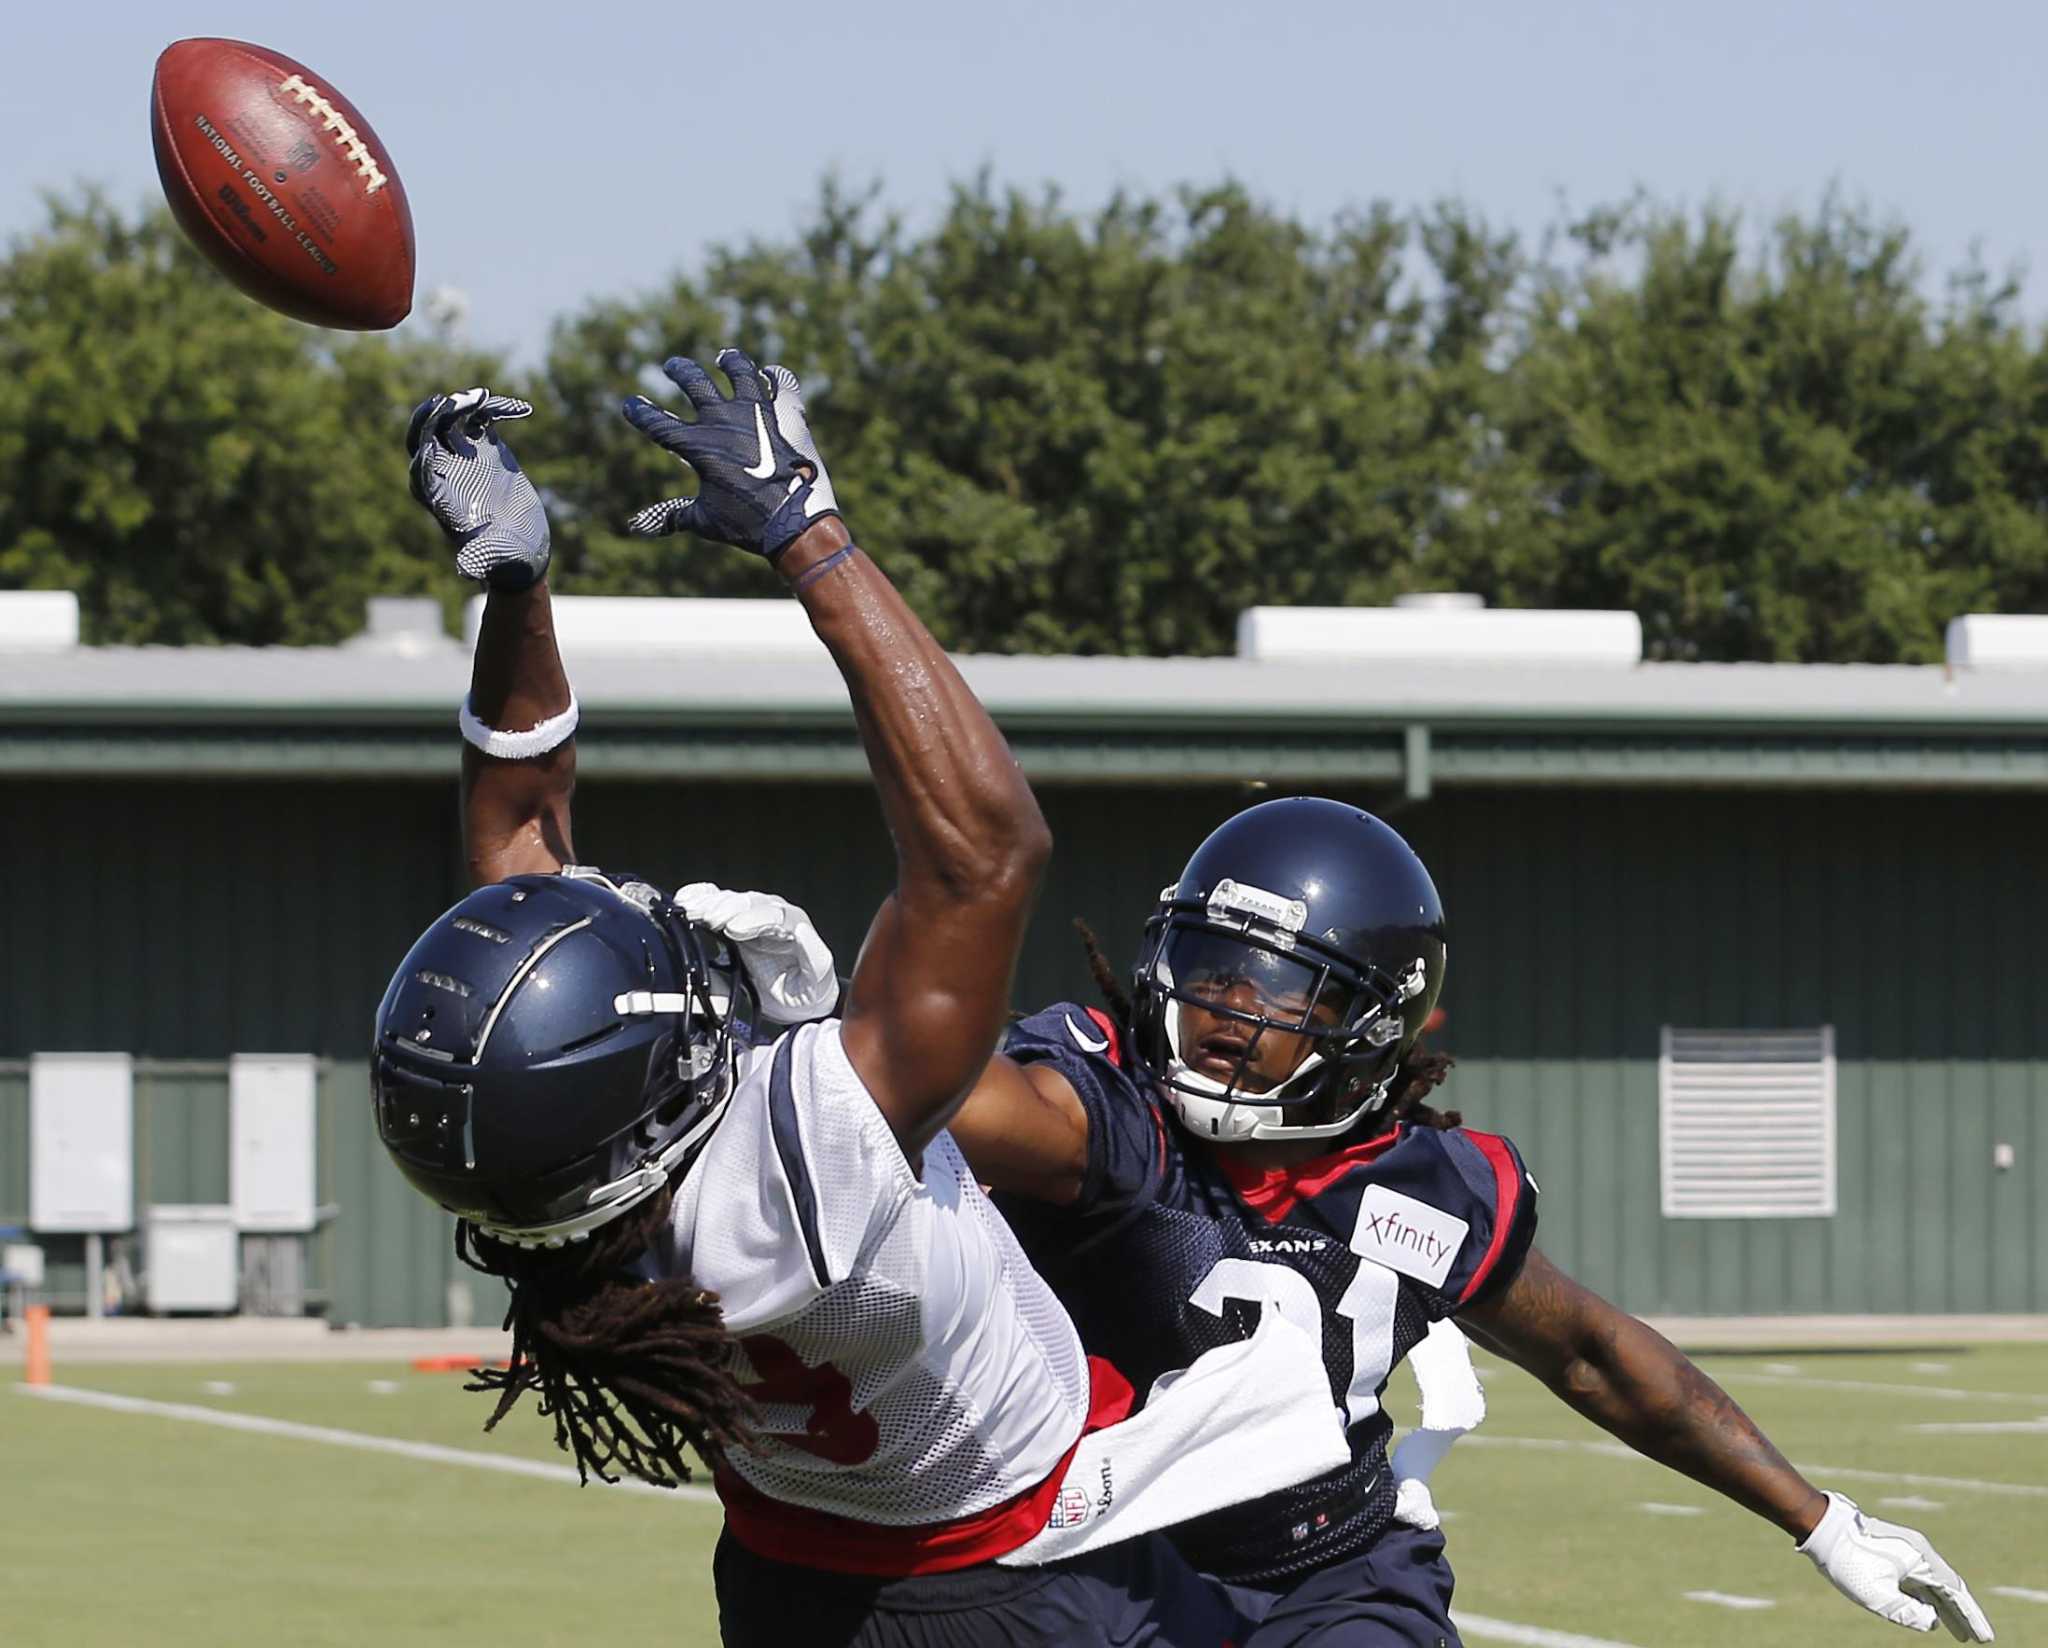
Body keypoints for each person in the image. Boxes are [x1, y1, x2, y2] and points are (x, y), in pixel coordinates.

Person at [370, 354, 1346, 1648]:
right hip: (1025, 1580)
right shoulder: (799, 1165)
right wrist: (805, 532)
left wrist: (515, 584)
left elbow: (519, 845)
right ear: (650, 1089)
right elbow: (988, 850)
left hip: (787, 1581)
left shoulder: (550, 1204)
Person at [948, 796, 1995, 1645]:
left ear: (1369, 1020)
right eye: (1211, 967)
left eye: (1276, 986)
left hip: (1328, 1571)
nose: (1225, 1009)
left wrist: (1815, 1517)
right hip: (1087, 1563)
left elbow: (1593, 1353)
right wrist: (813, 1053)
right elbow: (935, 1096)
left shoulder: (1431, 1188)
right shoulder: (1101, 1102)